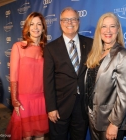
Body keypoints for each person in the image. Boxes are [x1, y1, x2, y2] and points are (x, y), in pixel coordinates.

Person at [43, 7, 93, 140]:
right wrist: (51, 108)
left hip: (82, 107)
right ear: (60, 23)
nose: (69, 22)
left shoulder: (91, 44)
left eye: (73, 19)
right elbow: (48, 81)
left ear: (79, 21)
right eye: (65, 19)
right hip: (59, 107)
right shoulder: (50, 48)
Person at [85, 12, 126, 140]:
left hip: (110, 122)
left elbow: (124, 96)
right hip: (94, 119)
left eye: (112, 26)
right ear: (99, 30)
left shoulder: (123, 55)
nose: (108, 30)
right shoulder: (96, 54)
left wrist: (114, 124)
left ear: (117, 29)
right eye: (104, 26)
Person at [6, 12, 49, 140]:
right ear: (27, 27)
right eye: (32, 24)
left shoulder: (47, 50)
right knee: (26, 136)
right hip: (24, 99)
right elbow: (13, 75)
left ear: (43, 28)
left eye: (39, 24)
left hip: (42, 99)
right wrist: (14, 100)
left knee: (40, 135)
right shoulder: (18, 47)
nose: (35, 28)